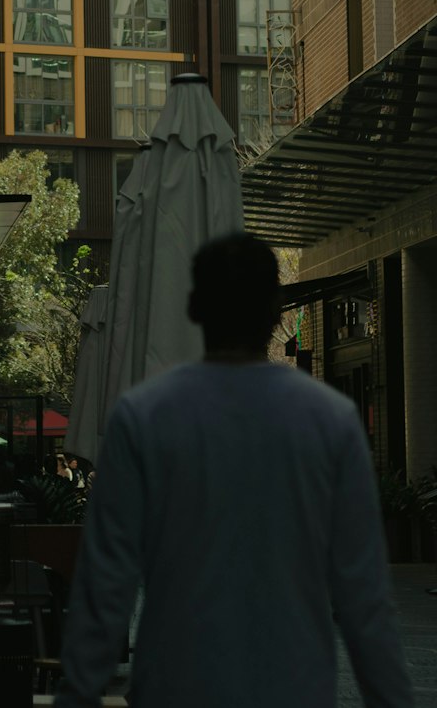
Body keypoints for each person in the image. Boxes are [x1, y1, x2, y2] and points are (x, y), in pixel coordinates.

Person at [55, 232, 413, 708]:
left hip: (175, 683)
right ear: (275, 311)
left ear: (195, 308)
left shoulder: (144, 417)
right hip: (293, 684)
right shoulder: (329, 419)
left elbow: (106, 581)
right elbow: (363, 593)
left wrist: (77, 693)